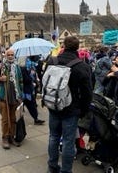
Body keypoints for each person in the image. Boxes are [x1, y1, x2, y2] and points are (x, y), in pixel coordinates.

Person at [45, 36, 93, 173]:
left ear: (63, 45)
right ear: (77, 47)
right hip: (71, 109)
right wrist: (83, 111)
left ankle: (52, 166)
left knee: (53, 136)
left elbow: (45, 82)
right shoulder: (82, 66)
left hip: (53, 105)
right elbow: (87, 93)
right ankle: (66, 171)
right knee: (68, 141)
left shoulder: (52, 61)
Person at [0, 48, 23, 149]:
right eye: (8, 55)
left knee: (13, 118)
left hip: (15, 97)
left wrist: (21, 95)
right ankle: (5, 137)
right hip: (3, 96)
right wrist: (0, 79)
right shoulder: (0, 66)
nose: (10, 56)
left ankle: (11, 136)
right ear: (5, 55)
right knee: (5, 119)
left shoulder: (17, 67)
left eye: (12, 55)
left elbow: (20, 81)